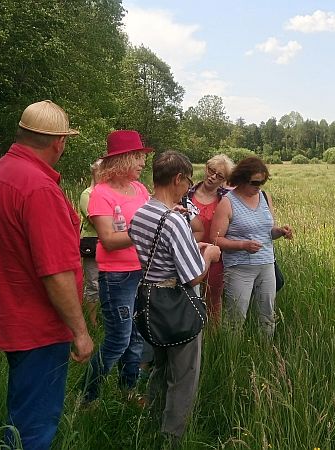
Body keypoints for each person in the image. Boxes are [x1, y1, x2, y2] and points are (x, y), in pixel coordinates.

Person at [0, 100, 93, 450]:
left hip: (8, 313)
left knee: (22, 410)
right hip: (38, 324)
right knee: (36, 425)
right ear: (58, 143)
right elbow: (56, 272)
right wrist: (79, 331)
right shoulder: (39, 189)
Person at [128, 150, 221, 443]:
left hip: (148, 302)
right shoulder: (174, 220)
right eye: (187, 182)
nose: (188, 189)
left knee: (159, 366)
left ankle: (152, 421)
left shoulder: (142, 212)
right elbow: (194, 276)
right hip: (175, 305)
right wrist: (210, 255)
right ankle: (172, 437)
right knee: (183, 375)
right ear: (178, 179)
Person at [82, 130, 152, 405]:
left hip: (142, 272)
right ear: (122, 159)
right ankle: (88, 397)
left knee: (136, 338)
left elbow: (150, 219)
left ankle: (128, 390)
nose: (142, 163)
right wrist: (146, 229)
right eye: (137, 157)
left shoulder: (140, 189)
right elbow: (109, 241)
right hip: (117, 278)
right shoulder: (101, 194)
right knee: (118, 340)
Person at [210, 156, 293, 338]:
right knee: (235, 319)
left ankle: (266, 353)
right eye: (255, 182)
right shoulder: (227, 202)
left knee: (268, 315)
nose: (259, 187)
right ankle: (231, 358)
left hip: (266, 265)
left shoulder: (264, 197)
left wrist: (280, 231)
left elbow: (268, 231)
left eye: (262, 182)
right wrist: (242, 245)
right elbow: (216, 240)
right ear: (241, 179)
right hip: (239, 269)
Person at [185, 154, 234, 323]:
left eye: (219, 176)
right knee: (188, 296)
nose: (212, 177)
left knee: (214, 298)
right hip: (188, 254)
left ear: (224, 180)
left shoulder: (227, 200)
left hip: (216, 257)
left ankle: (214, 337)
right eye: (211, 170)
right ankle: (191, 332)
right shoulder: (186, 193)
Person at [79, 159, 102, 328]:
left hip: (109, 245)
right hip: (93, 244)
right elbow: (96, 220)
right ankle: (92, 321)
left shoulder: (109, 193)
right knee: (93, 283)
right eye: (102, 171)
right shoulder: (87, 194)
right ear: (94, 172)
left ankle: (106, 317)